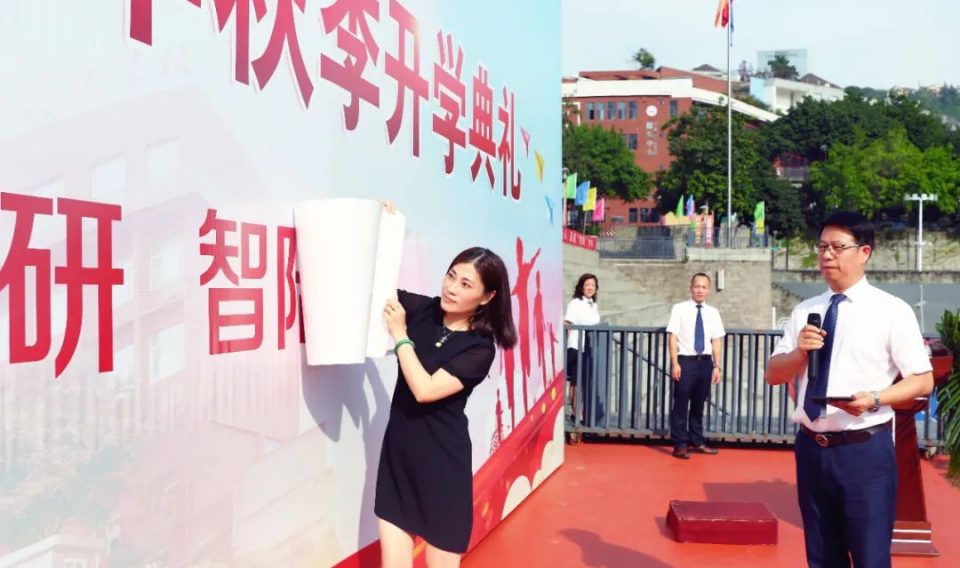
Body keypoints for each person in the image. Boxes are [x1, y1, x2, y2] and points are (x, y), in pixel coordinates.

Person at [765, 210, 933, 568]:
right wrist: (800, 353)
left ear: (864, 252)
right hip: (811, 449)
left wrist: (875, 399)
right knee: (823, 558)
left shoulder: (891, 311)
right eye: (822, 246)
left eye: (838, 247)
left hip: (864, 450)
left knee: (870, 558)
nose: (827, 255)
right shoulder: (806, 311)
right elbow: (773, 374)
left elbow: (922, 379)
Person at [375, 236, 518, 568]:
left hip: (442, 465)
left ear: (487, 297)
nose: (451, 288)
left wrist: (400, 335)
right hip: (399, 455)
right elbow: (375, 284)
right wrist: (384, 226)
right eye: (451, 275)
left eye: (465, 284)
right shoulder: (424, 310)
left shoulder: (479, 348)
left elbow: (424, 390)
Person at [666, 273, 724, 459]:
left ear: (708, 290)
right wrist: (674, 363)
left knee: (699, 404)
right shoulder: (679, 309)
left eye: (704, 287)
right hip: (685, 361)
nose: (700, 290)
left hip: (705, 362)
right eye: (697, 286)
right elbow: (672, 336)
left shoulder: (713, 312)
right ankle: (679, 444)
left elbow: (716, 340)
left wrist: (717, 365)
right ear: (691, 288)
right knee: (681, 403)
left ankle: (697, 441)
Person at [564, 273, 600, 420]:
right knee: (576, 381)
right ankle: (576, 413)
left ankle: (580, 412)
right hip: (576, 347)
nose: (590, 287)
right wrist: (572, 341)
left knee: (583, 381)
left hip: (589, 348)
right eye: (587, 285)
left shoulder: (593, 305)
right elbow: (567, 323)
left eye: (593, 285)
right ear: (581, 287)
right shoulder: (575, 303)